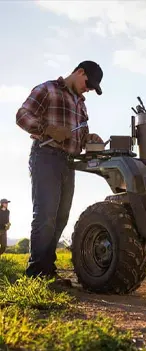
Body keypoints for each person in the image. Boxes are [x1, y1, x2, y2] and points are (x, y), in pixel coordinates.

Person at [16, 60, 104, 286]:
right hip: (45, 157)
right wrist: (47, 129)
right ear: (79, 72)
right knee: (46, 215)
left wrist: (89, 139)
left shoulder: (82, 105)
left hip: (68, 162)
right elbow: (22, 116)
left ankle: (47, 269)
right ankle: (36, 273)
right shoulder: (48, 89)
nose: (88, 89)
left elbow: (80, 136)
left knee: (61, 218)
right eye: (88, 83)